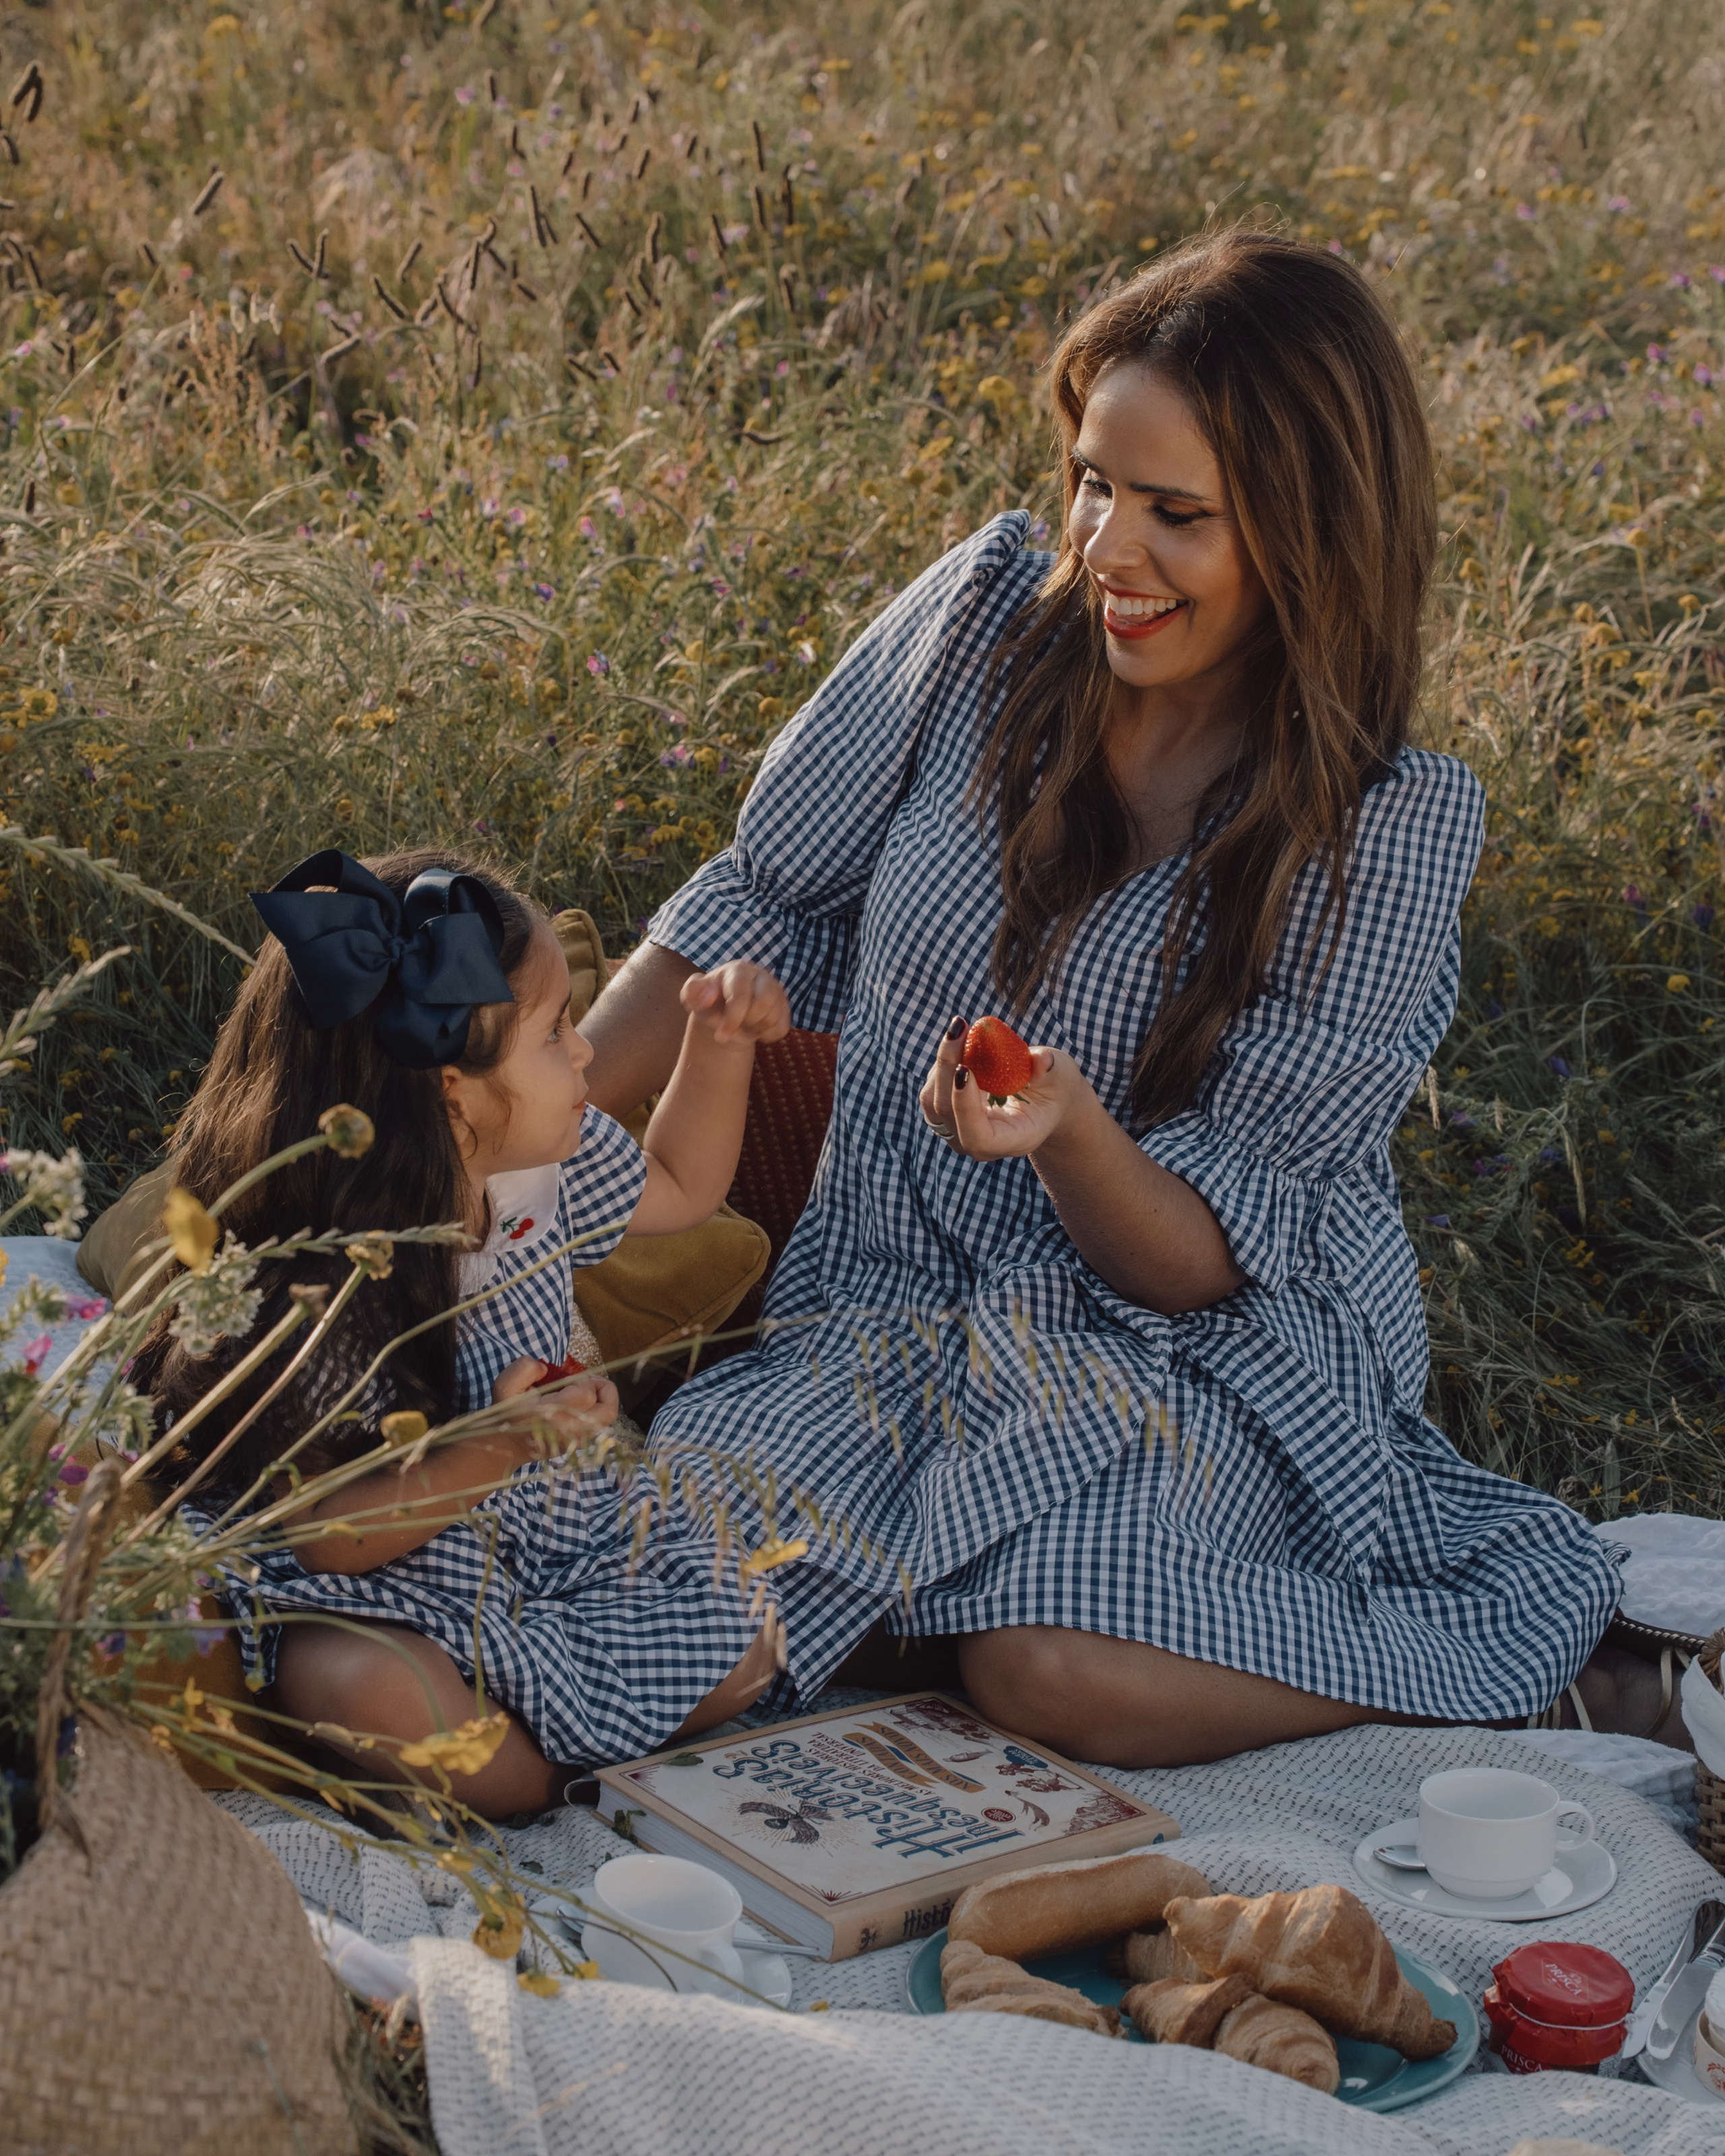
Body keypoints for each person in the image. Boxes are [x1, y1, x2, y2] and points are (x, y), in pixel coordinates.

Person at [580, 228, 1631, 1769]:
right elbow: (759, 897)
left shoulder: (1380, 830)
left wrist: (1069, 1137)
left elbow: (1210, 1262)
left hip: (1193, 1344)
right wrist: (490, 1151)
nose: (1106, 552)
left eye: (1175, 515)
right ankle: (926, 1598)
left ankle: (1495, 1674)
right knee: (674, 1584)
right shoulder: (979, 630)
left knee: (1050, 1665)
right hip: (882, 1301)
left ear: (1309, 535)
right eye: (1092, 481)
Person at [138, 846, 790, 1816]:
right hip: (382, 1574)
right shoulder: (336, 1267)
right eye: (558, 1033)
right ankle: (537, 1775)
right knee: (357, 1687)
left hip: (548, 1539)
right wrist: (499, 1445)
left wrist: (722, 1044)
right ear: (452, 1095)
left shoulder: (540, 1171)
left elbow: (686, 1187)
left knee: (755, 1626)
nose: (587, 1055)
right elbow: (330, 1540)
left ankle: (560, 1725)